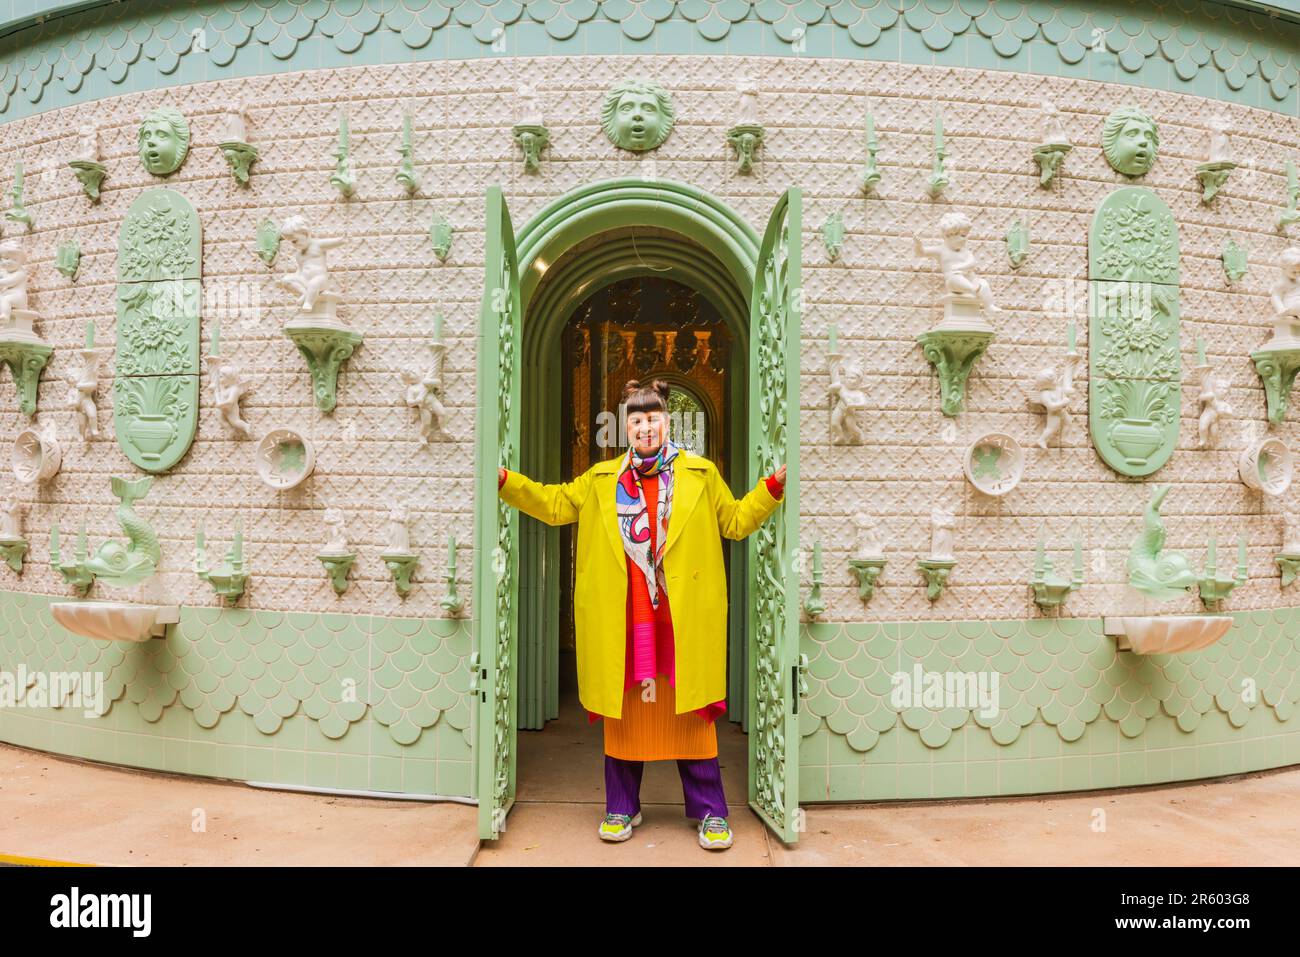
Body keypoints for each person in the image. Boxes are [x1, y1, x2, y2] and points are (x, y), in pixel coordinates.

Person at [498, 378, 786, 851]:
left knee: (691, 718)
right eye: (636, 420)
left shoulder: (700, 473)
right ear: (624, 427)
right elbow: (552, 505)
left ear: (667, 422)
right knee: (627, 716)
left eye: (653, 418)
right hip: (627, 623)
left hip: (681, 622)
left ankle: (711, 811)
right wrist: (506, 481)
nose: (645, 427)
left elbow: (735, 522)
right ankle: (620, 805)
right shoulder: (600, 480)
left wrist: (772, 487)